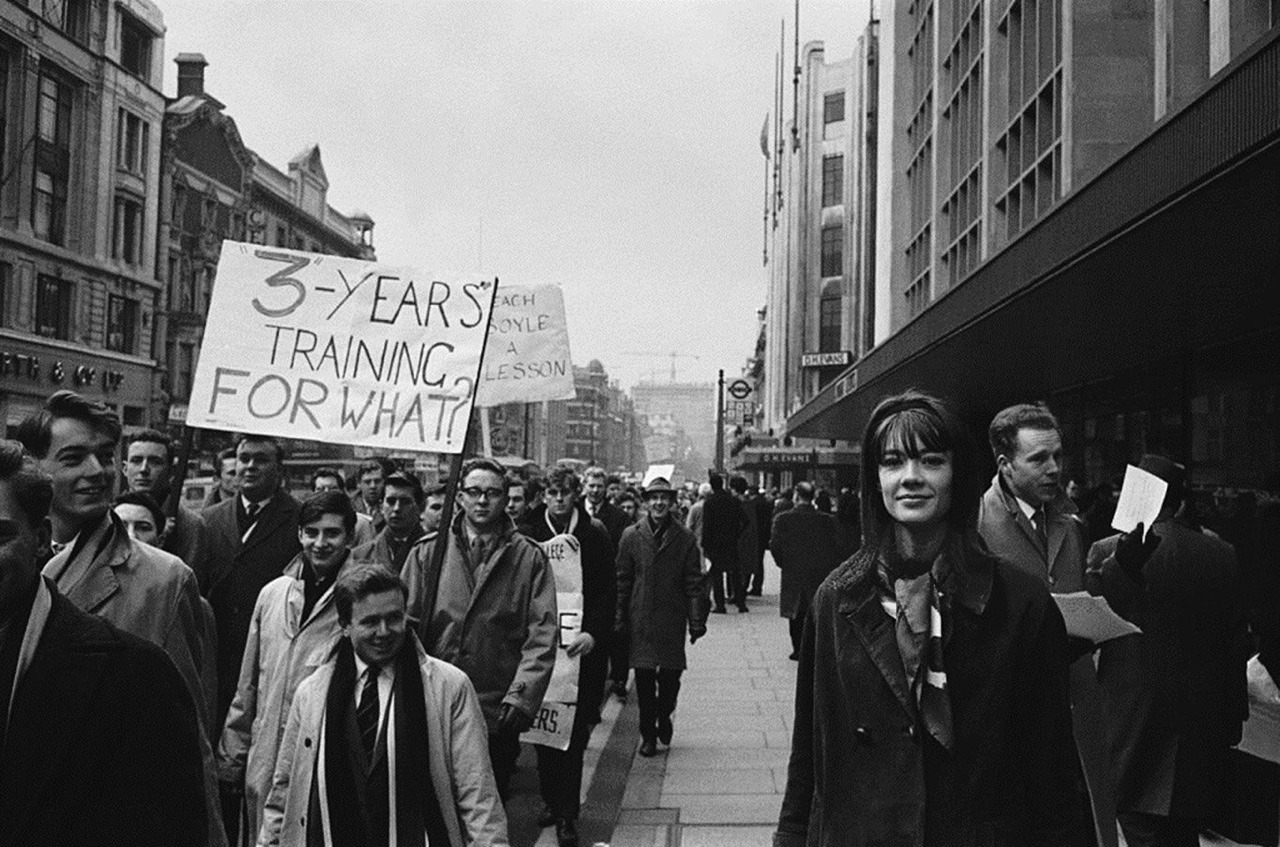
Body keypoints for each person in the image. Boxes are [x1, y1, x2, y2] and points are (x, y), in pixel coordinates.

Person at [776, 391, 1083, 846]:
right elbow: (809, 754)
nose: (911, 477)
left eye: (932, 461)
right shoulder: (837, 598)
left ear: (958, 474)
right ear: (875, 478)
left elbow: (1054, 769)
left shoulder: (1019, 601)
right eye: (893, 462)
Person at [19, 390, 226, 847]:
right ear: (34, 468)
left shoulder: (163, 580)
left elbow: (190, 746)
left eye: (105, 456)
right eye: (74, 458)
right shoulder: (22, 566)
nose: (97, 470)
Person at [259, 563, 508, 847]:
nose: (384, 631)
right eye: (370, 622)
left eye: (394, 618)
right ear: (344, 626)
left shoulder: (449, 687)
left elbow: (477, 792)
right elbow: (286, 787)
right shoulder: (312, 693)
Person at [1085, 454, 1248, 847]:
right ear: (1181, 503)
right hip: (1199, 720)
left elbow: (1091, 633)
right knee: (1184, 832)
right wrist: (1234, 717)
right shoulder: (1221, 554)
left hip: (1130, 721)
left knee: (1139, 829)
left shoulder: (1106, 553)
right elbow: (1234, 643)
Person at [975, 402, 1108, 845]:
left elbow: (1082, 592)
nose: (1054, 468)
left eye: (1057, 456)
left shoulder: (1070, 523)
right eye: (1038, 459)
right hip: (1012, 723)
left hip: (1073, 714)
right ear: (1005, 465)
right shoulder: (976, 525)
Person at [401, 457, 558, 798]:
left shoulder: (529, 557)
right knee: (434, 800)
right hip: (435, 702)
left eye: (493, 493)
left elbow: (543, 633)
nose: (483, 500)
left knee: (488, 801)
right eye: (474, 492)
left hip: (496, 707)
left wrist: (522, 697)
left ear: (505, 498)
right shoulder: (428, 553)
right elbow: (405, 624)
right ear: (460, 497)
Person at [218, 491, 362, 844]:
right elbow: (249, 683)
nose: (320, 543)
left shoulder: (361, 599)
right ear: (299, 534)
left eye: (332, 533)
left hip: (325, 758)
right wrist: (233, 755)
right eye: (311, 532)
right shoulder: (273, 594)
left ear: (350, 537)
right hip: (265, 757)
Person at [520, 466, 615, 847]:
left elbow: (607, 591)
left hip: (580, 652)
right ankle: (550, 797)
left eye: (565, 493)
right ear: (544, 495)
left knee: (573, 736)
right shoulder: (528, 533)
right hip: (540, 651)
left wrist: (593, 632)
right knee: (542, 730)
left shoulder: (594, 536)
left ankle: (567, 814)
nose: (559, 500)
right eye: (552, 493)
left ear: (575, 495)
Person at [204, 435, 303, 729]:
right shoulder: (209, 519)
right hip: (218, 652)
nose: (250, 466)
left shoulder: (299, 519)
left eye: (261, 460)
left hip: (270, 653)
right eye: (244, 458)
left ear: (279, 469)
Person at [616, 476, 708, 757]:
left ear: (671, 502)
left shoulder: (685, 538)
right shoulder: (631, 536)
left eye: (664, 498)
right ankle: (648, 735)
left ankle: (664, 713)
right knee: (644, 681)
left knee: (670, 678)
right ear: (646, 502)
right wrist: (619, 617)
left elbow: (694, 581)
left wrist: (696, 621)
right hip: (641, 617)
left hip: (671, 618)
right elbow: (622, 579)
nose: (659, 503)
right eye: (654, 498)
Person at [123, 429, 212, 579]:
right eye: (136, 461)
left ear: (170, 472)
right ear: (125, 469)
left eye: (155, 462)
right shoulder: (109, 516)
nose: (144, 469)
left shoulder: (189, 524)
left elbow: (187, 582)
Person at [770, 481, 841, 660]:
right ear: (813, 497)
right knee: (816, 610)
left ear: (796, 496)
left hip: (793, 571)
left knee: (796, 613)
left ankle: (798, 649)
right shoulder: (827, 520)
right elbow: (836, 547)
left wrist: (784, 563)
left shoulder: (783, 519)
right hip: (819, 572)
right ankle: (815, 648)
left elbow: (775, 546)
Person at [353, 471, 426, 572]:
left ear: (420, 507)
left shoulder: (432, 551)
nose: (397, 508)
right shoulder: (361, 556)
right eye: (391, 501)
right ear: (381, 507)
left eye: (405, 502)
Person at [701, 472, 749, 613]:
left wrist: (705, 544)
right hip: (731, 541)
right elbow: (745, 521)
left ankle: (720, 605)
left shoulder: (709, 502)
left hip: (715, 543)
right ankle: (741, 604)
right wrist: (737, 533)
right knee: (735, 574)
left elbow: (707, 525)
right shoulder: (733, 500)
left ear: (711, 486)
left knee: (717, 575)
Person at [313, 467, 376, 547]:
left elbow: (367, 551)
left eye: (333, 489)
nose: (326, 493)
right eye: (320, 489)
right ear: (313, 493)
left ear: (342, 491)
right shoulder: (306, 521)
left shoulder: (361, 523)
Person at [729, 475, 761, 602]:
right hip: (750, 537)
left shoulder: (735, 503)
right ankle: (741, 590)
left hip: (737, 537)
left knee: (736, 567)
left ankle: (735, 593)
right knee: (746, 566)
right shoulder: (751, 503)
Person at [352, 458, 391, 534]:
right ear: (359, 484)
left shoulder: (391, 505)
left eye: (377, 481)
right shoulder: (350, 507)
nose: (373, 486)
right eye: (367, 482)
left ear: (384, 482)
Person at [203, 447, 240, 511]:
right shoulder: (208, 512)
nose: (238, 477)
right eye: (232, 473)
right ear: (217, 479)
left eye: (241, 472)